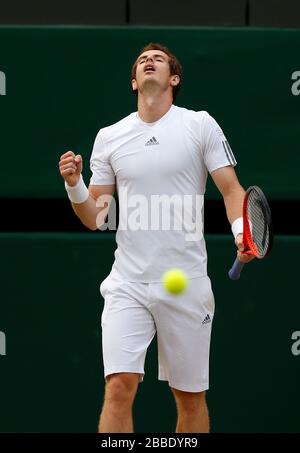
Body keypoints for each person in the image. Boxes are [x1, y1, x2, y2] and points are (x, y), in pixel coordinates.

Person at [58, 42, 254, 433]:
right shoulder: (110, 136)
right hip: (127, 283)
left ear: (174, 78)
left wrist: (240, 231)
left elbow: (232, 190)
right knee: (118, 387)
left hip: (185, 283)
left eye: (159, 59)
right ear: (134, 81)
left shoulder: (199, 125)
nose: (149, 61)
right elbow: (96, 217)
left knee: (189, 398)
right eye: (142, 61)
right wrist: (75, 185)